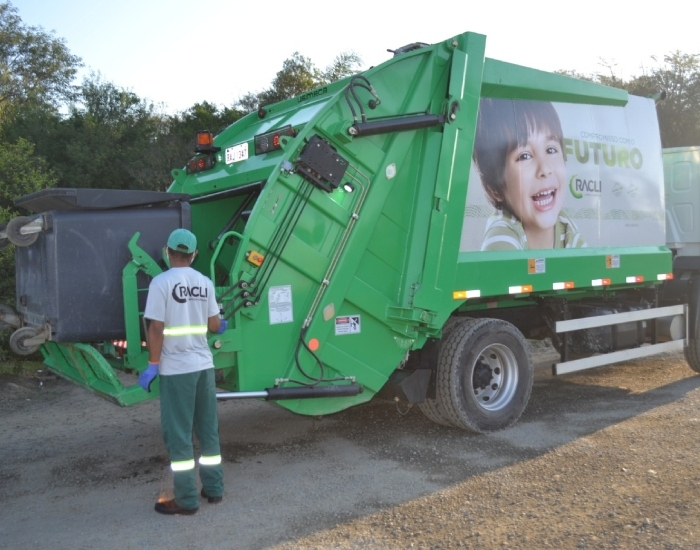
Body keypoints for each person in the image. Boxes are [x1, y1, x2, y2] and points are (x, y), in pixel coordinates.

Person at [139, 228, 227, 515]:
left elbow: (155, 327)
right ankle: (214, 489)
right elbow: (214, 325)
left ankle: (187, 500)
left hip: (176, 370)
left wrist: (153, 364)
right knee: (207, 429)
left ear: (167, 251)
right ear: (194, 254)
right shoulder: (205, 282)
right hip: (204, 367)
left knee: (179, 434)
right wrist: (220, 325)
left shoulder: (161, 283)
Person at [472, 98, 586, 251]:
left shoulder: (566, 228)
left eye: (551, 150)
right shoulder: (501, 238)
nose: (545, 169)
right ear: (495, 189)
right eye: (524, 156)